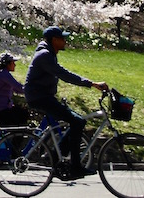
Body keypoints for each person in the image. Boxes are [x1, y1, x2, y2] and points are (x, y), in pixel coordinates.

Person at [24, 26, 108, 181]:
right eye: (62, 38)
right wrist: (92, 83)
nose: (65, 41)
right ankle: (74, 166)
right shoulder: (44, 55)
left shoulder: (49, 53)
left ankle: (57, 157)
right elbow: (64, 74)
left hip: (44, 97)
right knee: (77, 121)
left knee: (78, 121)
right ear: (54, 40)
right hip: (39, 98)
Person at [0, 52, 28, 127]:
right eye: (13, 62)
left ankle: (15, 136)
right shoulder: (3, 74)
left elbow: (17, 89)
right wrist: (35, 90)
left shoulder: (0, 73)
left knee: (21, 114)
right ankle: (17, 137)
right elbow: (19, 88)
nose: (15, 64)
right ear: (7, 64)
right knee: (22, 116)